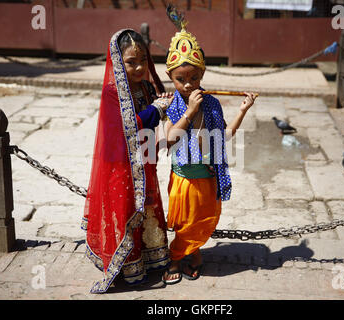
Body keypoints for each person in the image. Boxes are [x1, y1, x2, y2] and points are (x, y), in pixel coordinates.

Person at [161, 22, 257, 284]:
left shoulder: (212, 103)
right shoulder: (171, 104)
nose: (188, 85)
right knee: (185, 224)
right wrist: (189, 112)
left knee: (202, 222)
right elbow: (168, 140)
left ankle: (194, 253)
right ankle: (175, 257)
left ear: (202, 75)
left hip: (207, 176)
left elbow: (225, 136)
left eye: (194, 78)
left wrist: (243, 110)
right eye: (180, 80)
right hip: (183, 178)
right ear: (171, 78)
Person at [81, 29, 173, 294]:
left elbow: (152, 118)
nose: (139, 67)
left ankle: (152, 257)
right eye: (131, 61)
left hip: (145, 160)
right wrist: (156, 110)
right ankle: (129, 264)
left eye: (143, 60)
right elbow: (128, 126)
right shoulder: (112, 93)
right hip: (121, 165)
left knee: (149, 206)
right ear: (118, 61)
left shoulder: (145, 86)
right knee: (126, 208)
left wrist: (163, 105)